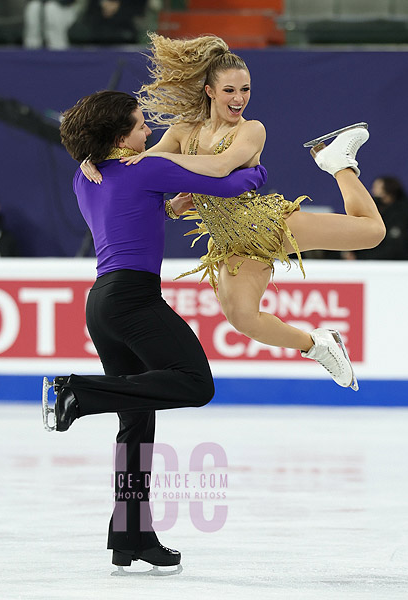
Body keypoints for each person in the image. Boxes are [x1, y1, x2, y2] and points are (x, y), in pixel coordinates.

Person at [82, 33, 386, 391]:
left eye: (246, 90)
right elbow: (137, 165)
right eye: (229, 90)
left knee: (373, 233)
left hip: (268, 225)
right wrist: (95, 156)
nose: (239, 98)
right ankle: (319, 345)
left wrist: (164, 158)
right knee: (243, 319)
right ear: (210, 91)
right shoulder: (184, 131)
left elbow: (222, 167)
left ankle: (338, 164)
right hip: (231, 245)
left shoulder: (251, 130)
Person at [45, 90, 267, 571]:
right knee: (195, 383)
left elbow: (125, 214)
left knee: (137, 421)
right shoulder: (145, 168)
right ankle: (77, 393)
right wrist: (260, 171)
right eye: (141, 124)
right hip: (132, 299)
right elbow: (230, 184)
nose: (150, 133)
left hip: (102, 302)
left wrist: (166, 209)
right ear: (121, 137)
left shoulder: (88, 177)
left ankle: (131, 536)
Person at [341, 176, 408, 260]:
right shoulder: (372, 206)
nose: (373, 190)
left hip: (394, 261)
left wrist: (360, 257)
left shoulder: (401, 212)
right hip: (369, 257)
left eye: (377, 187)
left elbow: (394, 246)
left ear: (387, 190)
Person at [68, 0, 143, 45]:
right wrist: (103, 3)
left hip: (125, 33)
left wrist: (118, 7)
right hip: (96, 34)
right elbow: (90, 14)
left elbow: (139, 11)